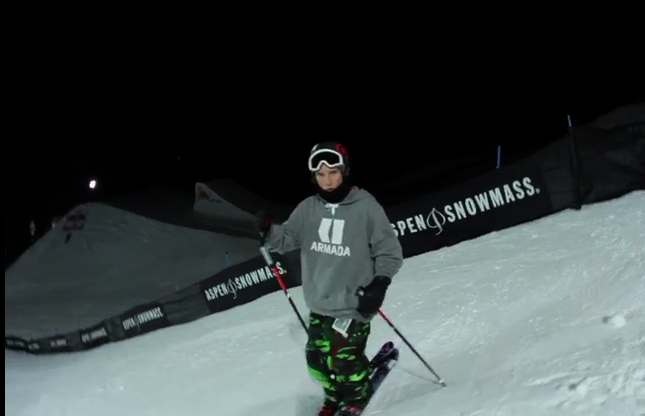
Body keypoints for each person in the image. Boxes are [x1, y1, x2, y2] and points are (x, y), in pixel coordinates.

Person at [258, 142, 403, 416]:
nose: (327, 180)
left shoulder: (366, 206)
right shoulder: (308, 208)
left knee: (344, 361)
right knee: (317, 362)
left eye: (333, 172)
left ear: (344, 171)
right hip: (320, 303)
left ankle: (356, 397)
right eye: (321, 174)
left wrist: (380, 283)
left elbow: (389, 251)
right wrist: (269, 231)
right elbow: (287, 240)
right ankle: (335, 395)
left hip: (353, 303)